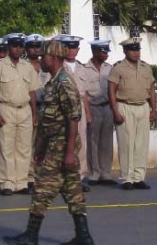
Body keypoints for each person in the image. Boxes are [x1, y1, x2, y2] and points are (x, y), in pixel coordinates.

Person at [4, 39, 94, 245]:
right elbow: (48, 119)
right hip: (55, 144)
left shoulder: (64, 83)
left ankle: (30, 237)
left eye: (43, 56)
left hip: (61, 146)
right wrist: (40, 147)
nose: (40, 59)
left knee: (42, 188)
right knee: (72, 190)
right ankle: (84, 237)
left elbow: (74, 117)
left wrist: (70, 151)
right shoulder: (54, 82)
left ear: (53, 58)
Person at [0, 33, 40, 196]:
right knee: (6, 147)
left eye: (19, 46)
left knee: (24, 148)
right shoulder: (0, 66)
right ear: (9, 47)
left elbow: (32, 91)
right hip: (6, 108)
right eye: (14, 46)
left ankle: (22, 182)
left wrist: (34, 112)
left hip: (24, 109)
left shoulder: (27, 67)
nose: (17, 49)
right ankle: (7, 183)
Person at [108, 37, 156, 190]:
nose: (136, 53)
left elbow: (151, 90)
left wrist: (154, 109)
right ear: (125, 51)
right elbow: (111, 90)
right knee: (126, 143)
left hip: (142, 106)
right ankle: (126, 178)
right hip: (125, 106)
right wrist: (115, 111)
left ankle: (138, 177)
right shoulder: (118, 68)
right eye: (133, 50)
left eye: (138, 49)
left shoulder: (146, 67)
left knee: (141, 144)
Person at [56, 34, 91, 192]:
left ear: (78, 49)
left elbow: (85, 94)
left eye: (74, 47)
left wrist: (88, 113)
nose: (71, 51)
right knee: (62, 142)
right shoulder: (57, 66)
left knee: (81, 142)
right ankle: (62, 178)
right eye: (68, 47)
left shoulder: (83, 68)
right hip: (62, 108)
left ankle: (79, 177)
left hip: (79, 109)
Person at [78, 39, 116, 185]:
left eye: (106, 52)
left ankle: (105, 173)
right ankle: (94, 173)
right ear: (95, 52)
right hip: (93, 106)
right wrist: (87, 112)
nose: (106, 54)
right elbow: (85, 93)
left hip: (107, 106)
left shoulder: (110, 68)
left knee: (106, 141)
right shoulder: (84, 69)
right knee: (92, 140)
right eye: (103, 51)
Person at [25, 33, 49, 193]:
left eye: (38, 47)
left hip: (47, 108)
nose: (35, 50)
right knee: (28, 144)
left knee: (45, 144)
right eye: (32, 47)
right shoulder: (23, 66)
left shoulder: (47, 65)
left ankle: (43, 175)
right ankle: (29, 177)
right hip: (29, 107)